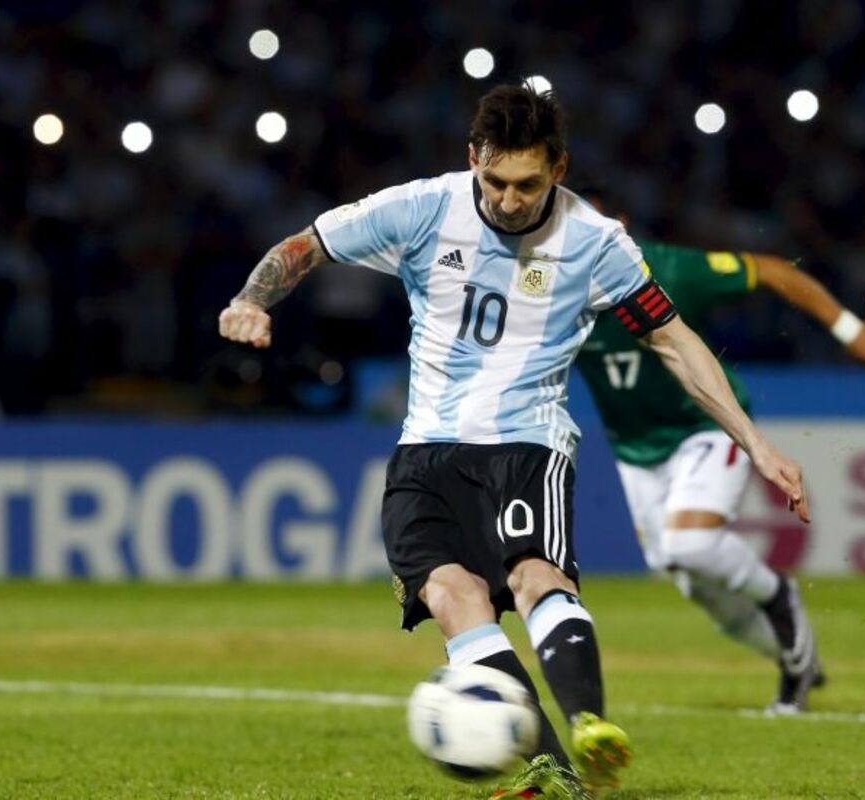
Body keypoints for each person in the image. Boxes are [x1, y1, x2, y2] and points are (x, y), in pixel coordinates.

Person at [219, 84, 809, 798]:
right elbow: (306, 245)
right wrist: (251, 298)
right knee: (451, 596)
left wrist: (755, 444)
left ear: (558, 168)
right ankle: (553, 771)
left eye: (527, 184)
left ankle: (591, 726)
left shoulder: (596, 242)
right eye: (494, 180)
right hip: (425, 450)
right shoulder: (421, 207)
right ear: (474, 158)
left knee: (535, 576)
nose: (507, 200)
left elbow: (674, 342)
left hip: (526, 443)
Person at [574, 189, 865, 713]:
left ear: (620, 228)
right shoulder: (551, 291)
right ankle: (794, 656)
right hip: (634, 447)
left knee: (690, 545)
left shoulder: (671, 270)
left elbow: (772, 271)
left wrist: (850, 331)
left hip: (706, 426)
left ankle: (779, 596)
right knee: (687, 577)